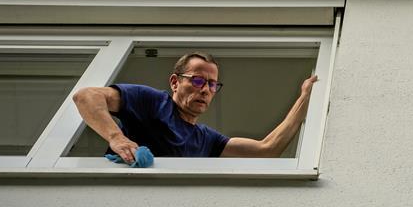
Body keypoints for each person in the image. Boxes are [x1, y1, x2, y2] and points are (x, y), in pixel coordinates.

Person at [72, 51, 317, 163]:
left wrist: (305, 98)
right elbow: (86, 96)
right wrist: (117, 138)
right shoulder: (153, 101)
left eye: (212, 85)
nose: (205, 89)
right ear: (175, 82)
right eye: (198, 80)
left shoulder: (206, 140)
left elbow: (267, 149)